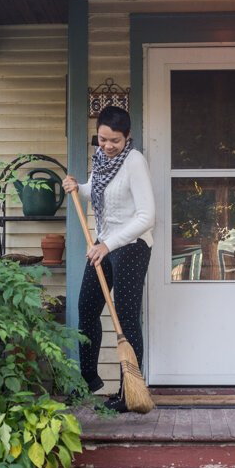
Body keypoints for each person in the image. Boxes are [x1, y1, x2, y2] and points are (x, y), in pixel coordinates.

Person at [62, 106, 155, 412]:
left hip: (132, 246)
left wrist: (108, 245)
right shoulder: (102, 160)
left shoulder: (134, 162)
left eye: (114, 140)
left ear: (127, 137)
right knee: (86, 308)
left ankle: (128, 394)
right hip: (105, 244)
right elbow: (101, 192)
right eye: (102, 138)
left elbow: (146, 217)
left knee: (126, 319)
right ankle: (88, 379)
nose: (107, 145)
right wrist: (79, 189)